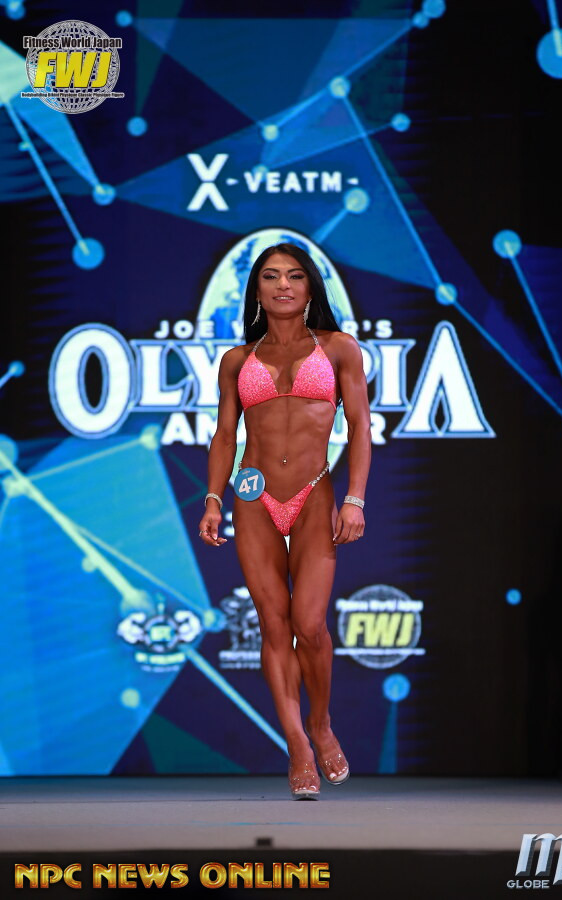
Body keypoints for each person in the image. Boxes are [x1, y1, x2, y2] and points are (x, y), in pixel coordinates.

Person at [198, 243, 371, 799]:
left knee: (310, 624)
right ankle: (297, 744)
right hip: (253, 495)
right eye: (270, 276)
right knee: (275, 627)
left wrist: (356, 499)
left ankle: (321, 724)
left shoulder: (339, 348)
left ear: (310, 286)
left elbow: (360, 427)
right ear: (256, 289)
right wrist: (213, 499)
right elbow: (225, 435)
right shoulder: (236, 360)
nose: (283, 286)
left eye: (294, 276)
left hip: (315, 492)